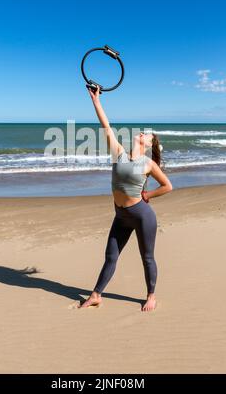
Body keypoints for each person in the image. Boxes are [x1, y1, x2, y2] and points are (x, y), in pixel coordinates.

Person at [79, 86, 173, 311]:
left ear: (150, 144)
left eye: (146, 135)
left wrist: (148, 195)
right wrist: (96, 101)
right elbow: (106, 127)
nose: (142, 133)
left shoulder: (148, 164)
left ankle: (151, 295)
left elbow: (167, 186)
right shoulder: (118, 153)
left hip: (142, 216)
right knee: (110, 255)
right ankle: (96, 295)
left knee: (147, 257)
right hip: (120, 215)